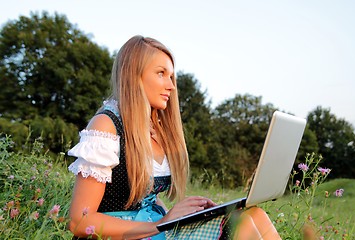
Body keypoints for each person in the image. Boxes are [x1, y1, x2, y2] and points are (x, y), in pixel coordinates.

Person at [67, 35, 280, 239]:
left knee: (254, 215)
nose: (171, 85)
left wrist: (183, 216)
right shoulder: (106, 126)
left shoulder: (156, 128)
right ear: (133, 75)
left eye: (171, 76)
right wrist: (161, 223)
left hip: (154, 229)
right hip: (119, 235)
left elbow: (146, 199)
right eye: (161, 73)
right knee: (241, 227)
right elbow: (79, 222)